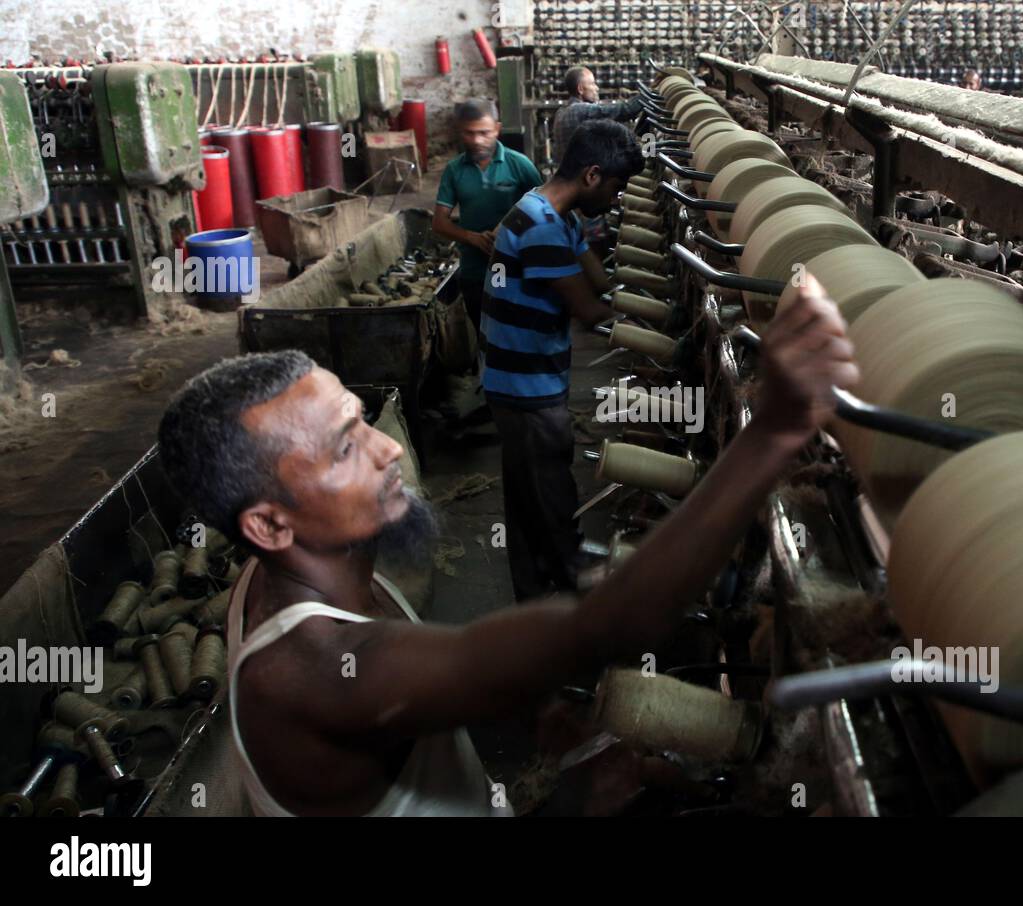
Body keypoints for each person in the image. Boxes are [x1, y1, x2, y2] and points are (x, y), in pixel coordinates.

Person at [156, 278, 858, 817]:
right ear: (271, 525)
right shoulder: (316, 671)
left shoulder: (282, 578)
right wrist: (774, 430)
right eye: (345, 447)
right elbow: (610, 627)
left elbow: (421, 691)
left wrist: (517, 701)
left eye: (362, 419)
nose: (388, 447)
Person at [480, 119, 644, 601]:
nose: (617, 199)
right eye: (617, 188)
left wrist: (636, 299)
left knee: (530, 491)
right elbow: (590, 310)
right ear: (592, 175)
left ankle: (536, 588)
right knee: (548, 487)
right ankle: (568, 584)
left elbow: (603, 284)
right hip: (523, 384)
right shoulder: (541, 230)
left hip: (523, 375)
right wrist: (664, 332)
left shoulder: (556, 215)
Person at [433, 100, 542, 342]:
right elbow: (439, 223)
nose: (477, 140)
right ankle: (487, 376)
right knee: (485, 332)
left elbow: (546, 209)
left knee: (517, 332)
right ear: (460, 131)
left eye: (484, 132)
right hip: (475, 270)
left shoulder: (519, 164)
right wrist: (472, 237)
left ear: (497, 129)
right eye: (469, 133)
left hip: (516, 266)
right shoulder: (454, 170)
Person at [550, 67, 645, 165]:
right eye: (592, 83)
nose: (597, 88)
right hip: (581, 175)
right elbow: (624, 111)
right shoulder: (579, 109)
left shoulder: (561, 112)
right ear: (580, 89)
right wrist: (649, 94)